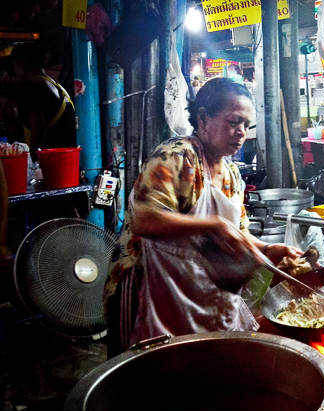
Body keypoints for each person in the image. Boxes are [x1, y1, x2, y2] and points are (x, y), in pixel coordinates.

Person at [104, 78, 301, 353]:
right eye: (234, 122)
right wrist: (214, 224)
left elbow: (240, 232)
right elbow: (145, 219)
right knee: (141, 377)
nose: (241, 132)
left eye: (246, 125)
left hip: (196, 292)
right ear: (203, 118)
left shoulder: (232, 174)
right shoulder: (175, 156)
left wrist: (268, 249)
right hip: (149, 287)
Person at [11, 43, 76, 159]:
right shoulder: (55, 86)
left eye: (15, 66)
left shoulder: (27, 88)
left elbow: (39, 125)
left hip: (50, 161)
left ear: (21, 64)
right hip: (68, 156)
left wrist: (33, 159)